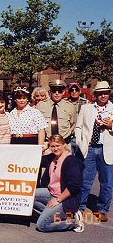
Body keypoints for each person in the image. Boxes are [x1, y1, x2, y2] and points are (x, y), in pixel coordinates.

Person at [75, 81, 113, 222]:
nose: (103, 95)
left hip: (107, 150)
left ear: (109, 93)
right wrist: (80, 143)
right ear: (95, 94)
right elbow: (78, 127)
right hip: (90, 149)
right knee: (85, 181)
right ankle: (80, 208)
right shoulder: (86, 108)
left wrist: (111, 125)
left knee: (107, 183)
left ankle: (103, 209)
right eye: (100, 93)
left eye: (106, 92)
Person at [34, 135, 84, 233]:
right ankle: (52, 214)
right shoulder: (53, 157)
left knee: (42, 226)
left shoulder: (71, 161)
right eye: (52, 146)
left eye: (58, 145)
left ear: (64, 144)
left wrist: (58, 200)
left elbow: (74, 186)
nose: (55, 148)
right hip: (52, 193)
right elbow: (37, 160)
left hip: (65, 199)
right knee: (30, 196)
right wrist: (43, 149)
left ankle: (74, 222)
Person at [36, 80, 76, 149]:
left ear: (63, 92)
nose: (57, 93)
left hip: (64, 145)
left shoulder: (70, 106)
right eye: (54, 91)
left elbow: (73, 125)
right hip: (47, 146)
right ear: (50, 92)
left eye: (59, 91)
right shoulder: (41, 106)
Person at [65, 82, 89, 154]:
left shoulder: (86, 103)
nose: (74, 92)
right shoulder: (64, 102)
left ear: (80, 91)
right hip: (68, 135)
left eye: (76, 90)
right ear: (69, 92)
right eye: (72, 90)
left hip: (81, 135)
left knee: (81, 158)